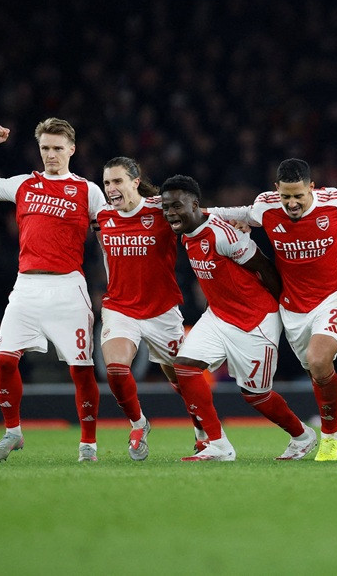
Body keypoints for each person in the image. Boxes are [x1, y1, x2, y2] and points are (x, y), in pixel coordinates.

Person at [0, 120, 106, 462]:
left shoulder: (88, 191)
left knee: (81, 369)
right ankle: (13, 432)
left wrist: (112, 284)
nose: (51, 154)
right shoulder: (24, 184)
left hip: (68, 287)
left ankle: (88, 444)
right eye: (45, 148)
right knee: (4, 361)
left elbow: (107, 242)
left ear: (72, 149)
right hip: (26, 285)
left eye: (57, 148)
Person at [209, 159, 337, 461]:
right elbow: (237, 213)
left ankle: (329, 438)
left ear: (312, 188)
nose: (292, 203)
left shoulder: (332, 201)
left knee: (318, 360)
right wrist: (199, 211)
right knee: (319, 372)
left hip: (333, 296)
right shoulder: (265, 206)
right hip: (293, 306)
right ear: (276, 190)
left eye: (298, 196)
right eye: (286, 196)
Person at [160, 175, 317, 462]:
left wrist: (286, 311)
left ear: (195, 205)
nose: (171, 213)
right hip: (218, 315)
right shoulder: (186, 233)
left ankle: (302, 435)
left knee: (256, 396)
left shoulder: (222, 235)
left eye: (177, 206)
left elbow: (264, 268)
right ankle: (218, 444)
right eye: (166, 207)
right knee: (184, 368)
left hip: (254, 320)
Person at [97, 157, 207, 460]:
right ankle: (138, 424)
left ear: (135, 182)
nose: (111, 188)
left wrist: (239, 220)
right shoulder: (102, 215)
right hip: (120, 307)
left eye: (117, 181)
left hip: (162, 311)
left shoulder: (161, 209)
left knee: (183, 380)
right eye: (107, 183)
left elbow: (200, 215)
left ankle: (202, 431)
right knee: (116, 369)